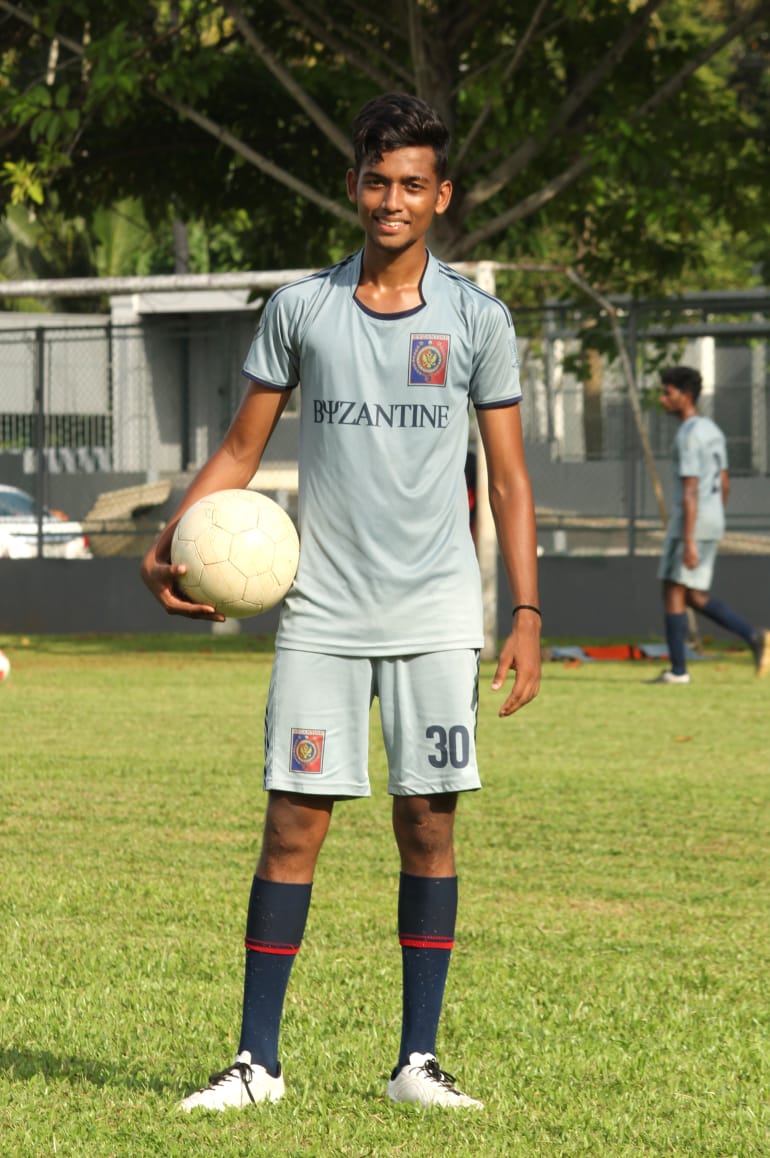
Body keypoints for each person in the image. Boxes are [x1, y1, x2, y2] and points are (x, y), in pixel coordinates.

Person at [141, 91, 541, 1111]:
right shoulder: (300, 310)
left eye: (413, 183)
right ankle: (255, 1064)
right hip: (320, 610)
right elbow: (241, 447)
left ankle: (415, 1062)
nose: (392, 199)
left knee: (427, 822)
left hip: (438, 613)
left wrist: (525, 615)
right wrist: (171, 540)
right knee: (293, 823)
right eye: (377, 180)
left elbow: (506, 480)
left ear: (440, 195)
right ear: (352, 186)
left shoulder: (476, 322)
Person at [653, 365, 768, 684]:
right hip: (712, 515)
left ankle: (678, 672)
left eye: (667, 392)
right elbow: (725, 481)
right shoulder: (712, 430)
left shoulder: (689, 434)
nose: (662, 399)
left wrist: (689, 538)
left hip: (692, 519)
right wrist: (711, 519)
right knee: (692, 594)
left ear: (685, 396)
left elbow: (690, 488)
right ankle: (754, 635)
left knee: (673, 589)